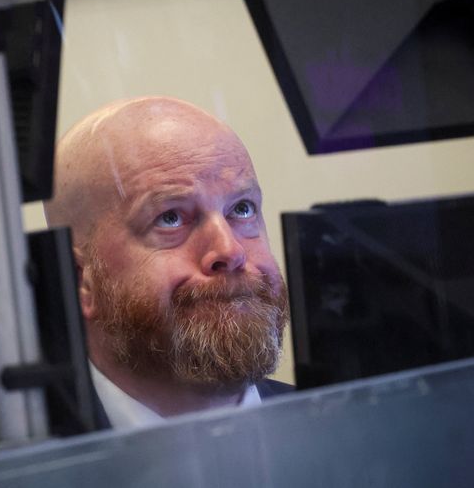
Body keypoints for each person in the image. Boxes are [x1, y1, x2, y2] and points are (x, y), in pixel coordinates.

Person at [46, 96, 292, 429]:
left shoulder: (349, 430)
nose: (230, 251)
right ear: (80, 279)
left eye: (242, 209)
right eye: (170, 217)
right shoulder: (7, 469)